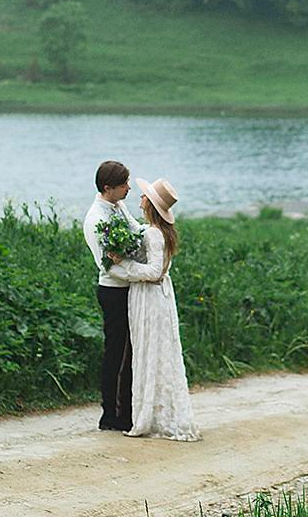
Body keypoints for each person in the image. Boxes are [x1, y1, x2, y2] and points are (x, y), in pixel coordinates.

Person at [106, 178, 200, 441]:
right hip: (157, 297)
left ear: (151, 204)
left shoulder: (153, 233)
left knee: (149, 352)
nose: (140, 199)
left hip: (149, 297)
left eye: (144, 197)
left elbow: (154, 272)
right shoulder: (160, 230)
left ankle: (148, 416)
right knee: (156, 352)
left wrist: (123, 264)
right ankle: (154, 410)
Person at [82, 160, 142, 432]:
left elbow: (136, 233)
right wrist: (143, 273)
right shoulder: (97, 219)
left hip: (129, 289)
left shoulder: (119, 207)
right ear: (108, 188)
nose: (129, 188)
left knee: (130, 353)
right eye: (124, 184)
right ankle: (111, 414)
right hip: (113, 291)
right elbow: (108, 265)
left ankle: (127, 410)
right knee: (116, 352)